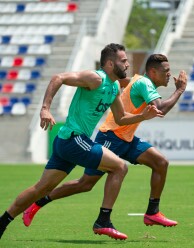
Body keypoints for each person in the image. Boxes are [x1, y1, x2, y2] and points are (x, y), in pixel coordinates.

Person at [0, 43, 163, 241]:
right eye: (123, 60)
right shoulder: (95, 78)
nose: (128, 64)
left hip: (66, 141)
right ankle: (103, 221)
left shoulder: (112, 87)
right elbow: (57, 78)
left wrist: (143, 116)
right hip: (74, 139)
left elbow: (121, 118)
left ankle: (1, 224)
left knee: (41, 189)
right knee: (119, 167)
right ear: (110, 64)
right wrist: (45, 108)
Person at [22, 54, 187, 231]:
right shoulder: (145, 83)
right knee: (85, 184)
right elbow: (160, 109)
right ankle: (38, 203)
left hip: (127, 139)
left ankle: (152, 213)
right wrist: (179, 90)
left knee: (160, 162)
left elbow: (125, 82)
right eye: (166, 71)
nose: (170, 74)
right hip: (111, 137)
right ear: (153, 72)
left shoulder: (140, 81)